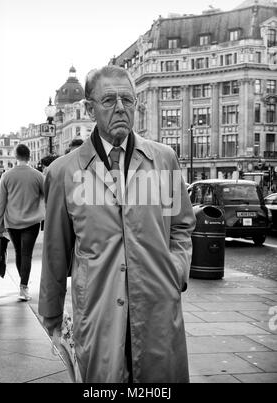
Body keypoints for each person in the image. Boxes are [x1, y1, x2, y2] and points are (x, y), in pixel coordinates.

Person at [39, 65, 196, 383]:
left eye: (128, 99)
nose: (121, 107)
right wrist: (51, 313)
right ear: (89, 107)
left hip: (157, 306)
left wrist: (176, 272)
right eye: (109, 100)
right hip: (98, 309)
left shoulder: (163, 159)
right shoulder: (64, 172)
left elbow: (181, 225)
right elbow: (57, 250)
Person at [0, 144, 45, 301]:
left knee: (19, 253)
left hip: (12, 221)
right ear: (29, 156)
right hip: (32, 222)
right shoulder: (38, 175)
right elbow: (48, 196)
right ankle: (23, 286)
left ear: (15, 156)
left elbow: (1, 201)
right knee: (27, 254)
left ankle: (23, 282)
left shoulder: (7, 175)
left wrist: (0, 223)